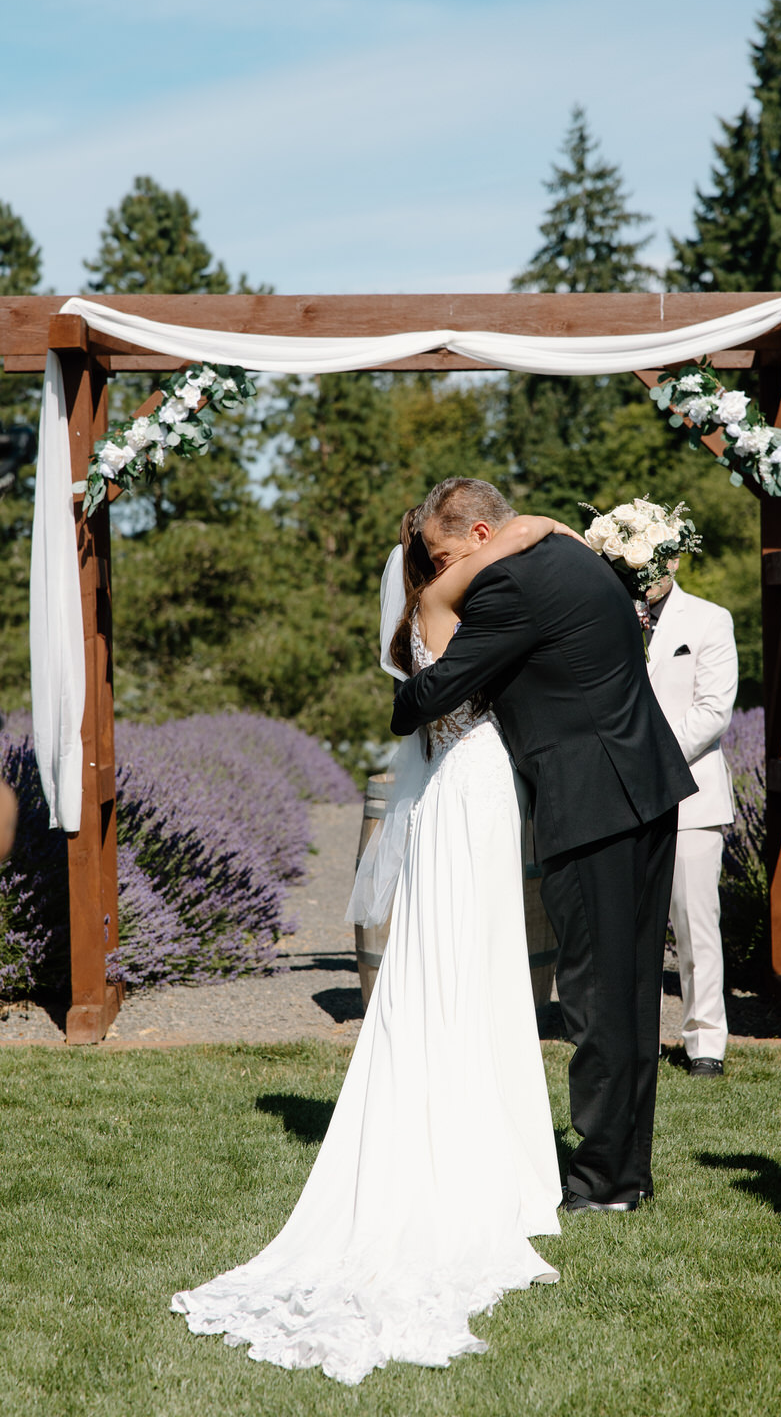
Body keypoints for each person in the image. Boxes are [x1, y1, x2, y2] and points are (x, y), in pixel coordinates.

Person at [172, 505, 581, 1385]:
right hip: (467, 789)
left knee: (482, 969)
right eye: (447, 547)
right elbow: (504, 545)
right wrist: (541, 526)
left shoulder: (432, 606)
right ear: (440, 554)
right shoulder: (438, 598)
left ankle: (494, 1141)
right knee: (455, 968)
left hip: (476, 787)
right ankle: (465, 1147)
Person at [393, 478, 697, 1214]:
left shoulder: (510, 588)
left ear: (478, 537)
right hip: (646, 789)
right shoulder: (574, 558)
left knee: (596, 999)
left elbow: (422, 700)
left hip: (592, 805)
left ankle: (600, 1182)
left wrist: (433, 607)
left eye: (440, 556)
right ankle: (629, 1172)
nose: (437, 573)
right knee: (630, 995)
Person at [644, 559, 738, 1077]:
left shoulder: (709, 618)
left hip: (691, 796)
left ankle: (706, 1042)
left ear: (674, 560)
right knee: (632, 927)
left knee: (695, 925)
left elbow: (714, 710)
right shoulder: (608, 618)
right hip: (621, 798)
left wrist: (645, 756)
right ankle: (637, 1036)